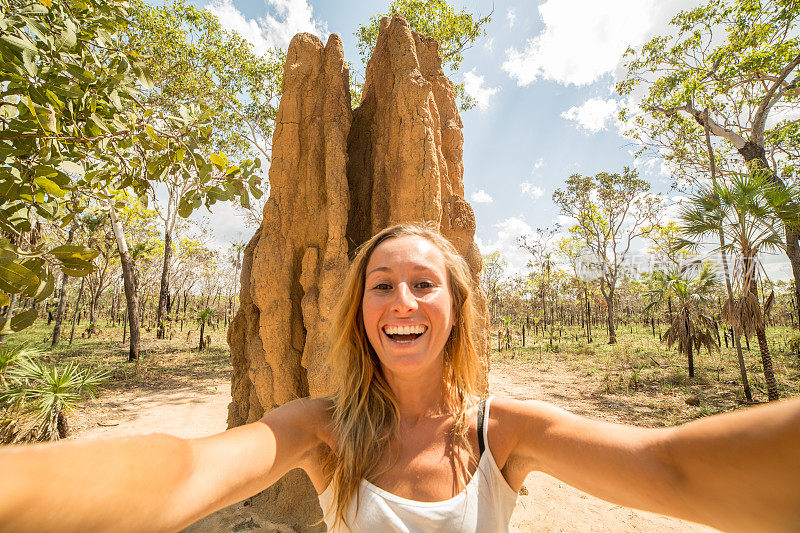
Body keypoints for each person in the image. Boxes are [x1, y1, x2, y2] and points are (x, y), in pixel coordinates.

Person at [0, 222, 799, 533]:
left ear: (456, 307)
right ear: (359, 310)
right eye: (381, 283)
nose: (402, 300)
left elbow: (675, 466)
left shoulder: (506, 433)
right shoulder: (321, 429)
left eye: (424, 284)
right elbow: (185, 470)